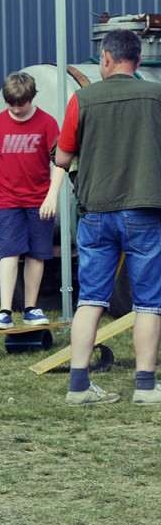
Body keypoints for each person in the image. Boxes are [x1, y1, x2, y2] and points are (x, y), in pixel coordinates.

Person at [55, 28, 161, 406]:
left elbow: (63, 158)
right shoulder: (155, 96)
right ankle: (146, 386)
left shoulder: (81, 99)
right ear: (136, 60)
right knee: (148, 302)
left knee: (91, 301)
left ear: (106, 58)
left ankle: (79, 386)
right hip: (145, 210)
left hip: (96, 212)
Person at [0, 71, 66, 331]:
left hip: (39, 200)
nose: (16, 110)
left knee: (38, 253)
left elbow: (60, 162)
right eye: (11, 105)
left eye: (20, 105)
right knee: (9, 252)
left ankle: (32, 309)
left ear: (31, 98)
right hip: (8, 200)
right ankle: (4, 311)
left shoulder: (47, 123)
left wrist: (51, 196)